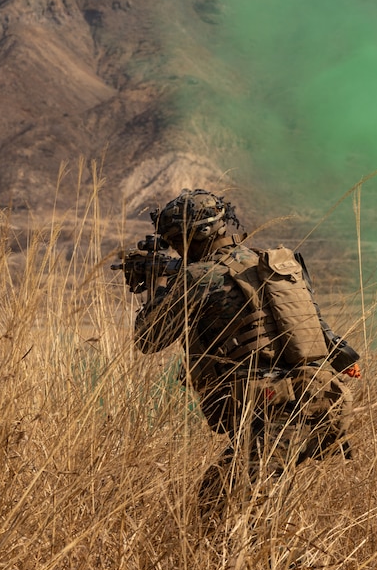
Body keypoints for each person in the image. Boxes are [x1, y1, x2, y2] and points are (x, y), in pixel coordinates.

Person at [130, 188, 361, 521]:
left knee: (256, 517)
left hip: (278, 409)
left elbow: (148, 339)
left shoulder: (197, 278)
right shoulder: (270, 264)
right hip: (317, 398)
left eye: (176, 241)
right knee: (214, 498)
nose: (177, 250)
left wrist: (155, 286)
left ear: (193, 237)